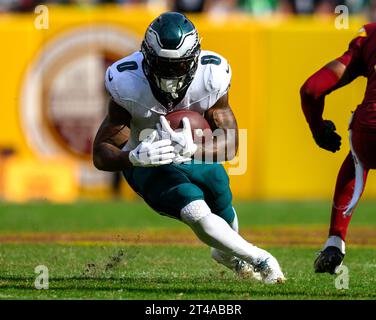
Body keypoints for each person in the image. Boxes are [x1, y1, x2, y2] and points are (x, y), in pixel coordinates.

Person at [93, 12, 285, 284]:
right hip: (149, 162)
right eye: (162, 65)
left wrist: (195, 149)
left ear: (195, 57)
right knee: (195, 210)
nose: (170, 76)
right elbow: (101, 152)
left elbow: (230, 144)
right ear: (146, 57)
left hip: (196, 154)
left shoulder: (212, 76)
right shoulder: (128, 83)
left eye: (179, 66)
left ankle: (225, 253)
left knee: (222, 201)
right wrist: (134, 157)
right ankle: (262, 259)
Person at [300, 0, 376, 274]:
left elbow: (311, 89)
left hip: (370, 134)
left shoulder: (373, 32)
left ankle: (335, 240)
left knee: (356, 161)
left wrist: (318, 128)